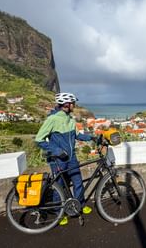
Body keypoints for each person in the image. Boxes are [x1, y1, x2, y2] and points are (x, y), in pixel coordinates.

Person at [35, 92, 95, 225]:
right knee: (60, 187)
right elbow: (39, 139)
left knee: (78, 182)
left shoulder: (70, 119)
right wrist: (56, 150)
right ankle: (60, 213)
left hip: (72, 157)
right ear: (67, 104)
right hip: (58, 159)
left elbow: (77, 136)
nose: (74, 105)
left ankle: (79, 205)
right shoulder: (53, 119)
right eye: (73, 103)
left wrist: (91, 137)